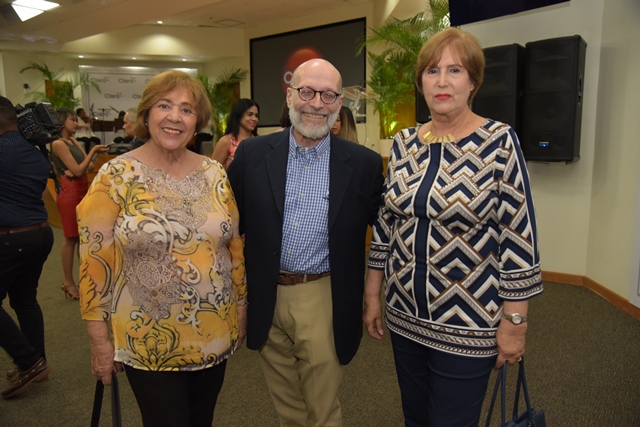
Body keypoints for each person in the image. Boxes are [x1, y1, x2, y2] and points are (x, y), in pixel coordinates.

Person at [363, 28, 543, 427]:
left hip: (467, 324)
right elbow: (385, 225)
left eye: (455, 70)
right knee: (415, 417)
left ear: (473, 81)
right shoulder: (404, 144)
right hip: (404, 316)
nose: (442, 81)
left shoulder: (499, 142)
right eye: (432, 71)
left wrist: (515, 324)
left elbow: (518, 239)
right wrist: (373, 293)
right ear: (421, 82)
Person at [77, 70, 247, 427]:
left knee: (202, 420)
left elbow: (233, 246)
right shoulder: (115, 176)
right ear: (147, 113)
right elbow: (93, 263)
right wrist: (99, 341)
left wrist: (242, 307)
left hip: (214, 333)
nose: (175, 117)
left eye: (186, 109)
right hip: (149, 340)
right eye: (164, 105)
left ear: (197, 121)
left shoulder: (215, 173)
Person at [227, 58, 384, 427]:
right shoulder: (252, 155)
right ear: (289, 95)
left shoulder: (363, 164)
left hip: (322, 295)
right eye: (307, 92)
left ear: (339, 103)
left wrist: (373, 293)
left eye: (328, 95)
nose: (316, 104)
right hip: (265, 293)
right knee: (288, 407)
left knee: (322, 408)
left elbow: (386, 231)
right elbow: (227, 226)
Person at [0, 96, 54, 399]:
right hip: (40, 235)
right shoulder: (33, 150)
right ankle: (38, 361)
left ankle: (29, 360)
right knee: (24, 300)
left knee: (23, 300)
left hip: (13, 238)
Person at [50, 108, 108, 300]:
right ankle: (68, 282)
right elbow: (78, 169)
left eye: (76, 120)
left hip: (82, 187)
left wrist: (79, 168)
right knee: (71, 237)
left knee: (83, 237)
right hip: (69, 190)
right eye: (72, 120)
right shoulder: (58, 143)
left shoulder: (73, 141)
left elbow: (87, 166)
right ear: (62, 122)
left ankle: (85, 280)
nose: (76, 123)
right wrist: (92, 152)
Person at [211, 98, 259, 168]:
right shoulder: (226, 141)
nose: (254, 119)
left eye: (256, 115)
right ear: (238, 115)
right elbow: (213, 169)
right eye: (250, 114)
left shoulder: (259, 141)